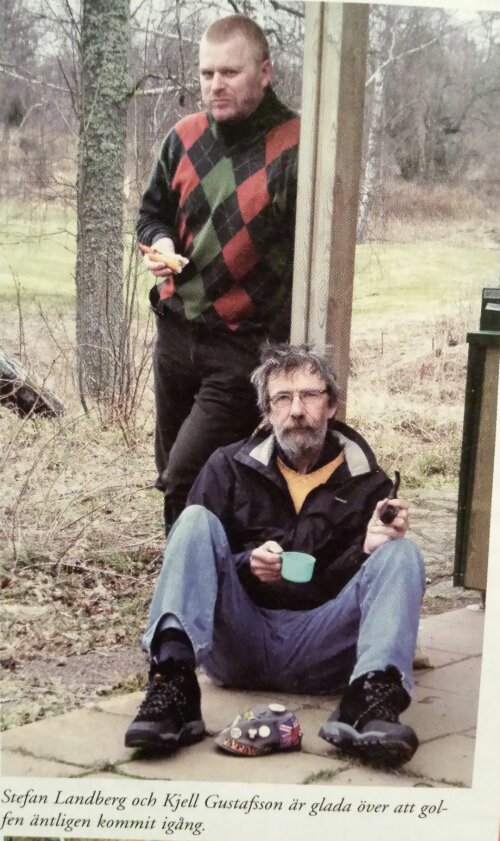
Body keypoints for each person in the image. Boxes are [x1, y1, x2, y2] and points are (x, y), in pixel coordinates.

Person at [125, 344, 426, 768]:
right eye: (282, 398)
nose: (296, 410)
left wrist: (368, 550)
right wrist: (247, 564)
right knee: (192, 521)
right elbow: (196, 560)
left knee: (402, 553)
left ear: (332, 405)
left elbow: (351, 590)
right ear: (267, 412)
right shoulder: (226, 467)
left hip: (323, 648)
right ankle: (173, 686)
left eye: (309, 395)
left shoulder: (368, 484)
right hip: (240, 641)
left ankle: (369, 704)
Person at [136, 15, 300, 529]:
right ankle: (203, 569)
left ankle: (187, 576)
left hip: (240, 349)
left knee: (186, 475)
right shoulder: (183, 137)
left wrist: (278, 357)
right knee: (174, 471)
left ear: (264, 72)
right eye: (207, 74)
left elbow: (308, 258)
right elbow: (151, 215)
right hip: (175, 333)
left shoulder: (296, 148)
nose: (215, 85)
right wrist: (161, 243)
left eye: (230, 72)